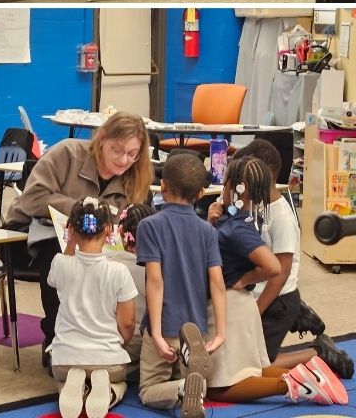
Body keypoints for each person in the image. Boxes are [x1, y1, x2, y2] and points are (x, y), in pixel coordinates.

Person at [3, 111, 154, 363]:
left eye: (132, 154)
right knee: (60, 257)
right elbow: (32, 199)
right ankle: (56, 341)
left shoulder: (135, 178)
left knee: (123, 266)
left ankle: (107, 343)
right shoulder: (67, 153)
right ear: (102, 139)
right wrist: (85, 209)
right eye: (117, 150)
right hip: (28, 234)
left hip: (98, 244)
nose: (124, 159)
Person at [201, 157, 348, 406]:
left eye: (225, 184)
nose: (221, 189)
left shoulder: (240, 227)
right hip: (236, 303)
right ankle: (309, 373)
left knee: (220, 385)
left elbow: (274, 266)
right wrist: (211, 219)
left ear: (239, 188)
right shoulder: (238, 218)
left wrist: (244, 281)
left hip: (236, 304)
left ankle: (297, 382)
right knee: (248, 370)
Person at [232, 142, 353, 376]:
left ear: (265, 171)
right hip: (260, 295)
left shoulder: (282, 217)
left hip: (278, 299)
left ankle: (319, 352)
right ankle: (298, 313)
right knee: (238, 354)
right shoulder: (253, 204)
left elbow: (281, 272)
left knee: (253, 367)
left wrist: (256, 311)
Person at [134, 154, 225, 418]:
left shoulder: (149, 226)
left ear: (162, 186)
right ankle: (194, 385)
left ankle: (185, 388)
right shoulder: (207, 231)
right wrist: (219, 333)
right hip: (195, 328)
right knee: (198, 380)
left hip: (165, 326)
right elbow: (217, 282)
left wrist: (158, 334)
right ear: (201, 192)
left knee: (149, 390)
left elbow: (155, 280)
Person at [48, 198, 137, 418]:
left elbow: (64, 263)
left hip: (65, 359)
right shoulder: (119, 271)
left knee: (62, 378)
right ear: (109, 231)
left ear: (71, 229)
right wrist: (119, 344)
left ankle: (76, 387)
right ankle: (108, 391)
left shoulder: (60, 263)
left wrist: (70, 241)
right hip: (107, 359)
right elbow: (127, 323)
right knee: (122, 381)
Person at [104, 202, 155, 372]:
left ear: (121, 232)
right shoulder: (160, 266)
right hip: (153, 342)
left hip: (121, 341)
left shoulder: (108, 263)